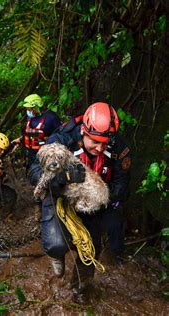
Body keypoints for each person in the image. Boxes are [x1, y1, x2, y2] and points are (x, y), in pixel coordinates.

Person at [28, 102, 131, 302]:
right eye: (95, 142)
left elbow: (122, 180)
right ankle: (56, 254)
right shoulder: (62, 139)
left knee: (91, 249)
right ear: (83, 130)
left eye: (105, 143)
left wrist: (110, 201)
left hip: (93, 199)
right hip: (60, 194)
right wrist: (58, 179)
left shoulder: (118, 147)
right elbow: (33, 170)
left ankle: (80, 288)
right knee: (57, 243)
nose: (100, 148)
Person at [13, 94, 62, 167]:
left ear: (35, 108)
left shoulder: (51, 117)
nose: (27, 111)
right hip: (32, 155)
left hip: (47, 155)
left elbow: (61, 133)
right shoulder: (30, 118)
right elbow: (31, 135)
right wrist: (21, 140)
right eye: (27, 109)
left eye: (29, 109)